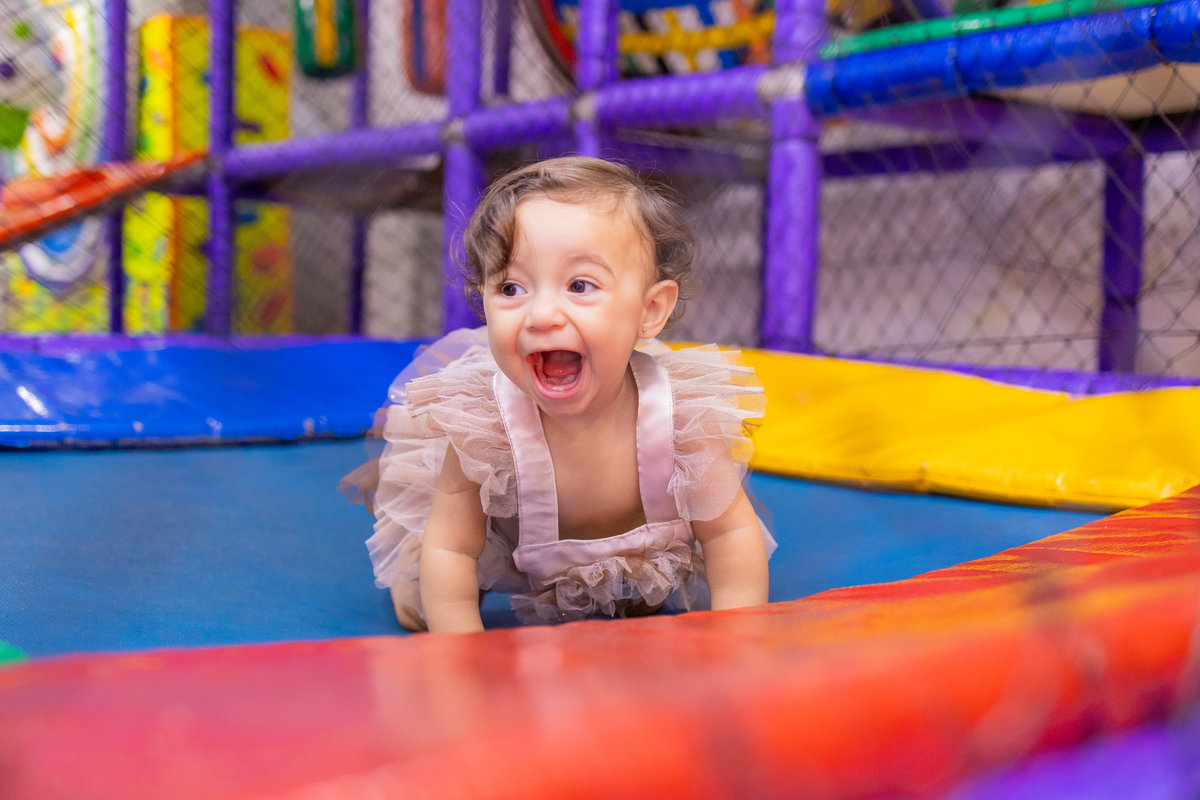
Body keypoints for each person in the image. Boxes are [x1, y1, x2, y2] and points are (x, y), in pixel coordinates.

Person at [341, 156, 774, 633]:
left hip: (628, 549)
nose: (542, 314)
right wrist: (460, 653)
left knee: (641, 605)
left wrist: (740, 637)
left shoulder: (681, 414)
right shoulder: (485, 425)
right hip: (506, 544)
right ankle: (414, 579)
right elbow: (453, 548)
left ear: (650, 311)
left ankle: (615, 582)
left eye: (579, 285)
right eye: (511, 287)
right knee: (422, 606)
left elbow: (731, 533)